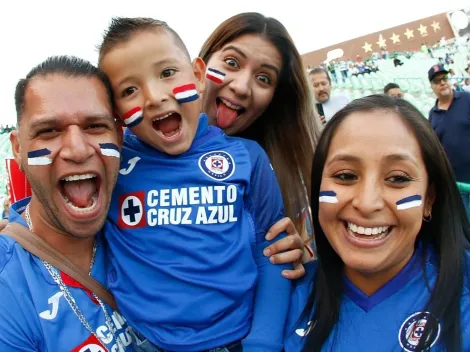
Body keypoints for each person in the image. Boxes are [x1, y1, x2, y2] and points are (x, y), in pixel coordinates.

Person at [98, 17, 291, 351]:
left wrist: (263, 343)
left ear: (198, 76)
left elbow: (274, 253)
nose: (154, 97)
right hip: (139, 342)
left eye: (167, 73)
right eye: (129, 90)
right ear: (116, 112)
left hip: (235, 341)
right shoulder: (112, 163)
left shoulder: (248, 158)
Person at [285, 95, 470, 351]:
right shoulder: (285, 297)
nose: (367, 202)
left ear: (429, 199)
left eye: (397, 178)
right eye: (346, 175)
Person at [0, 56, 133, 351]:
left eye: (96, 126)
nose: (77, 149)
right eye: (49, 131)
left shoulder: (153, 221)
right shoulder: (8, 286)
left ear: (120, 138)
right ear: (19, 149)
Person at [198, 13, 319, 248]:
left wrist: (299, 260)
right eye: (232, 63)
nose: (242, 87)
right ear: (200, 65)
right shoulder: (139, 148)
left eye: (264, 78)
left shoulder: (284, 186)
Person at [428, 64, 470, 219]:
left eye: (444, 78)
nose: (442, 83)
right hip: (456, 183)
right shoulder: (433, 114)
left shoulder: (466, 99)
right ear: (432, 87)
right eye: (437, 81)